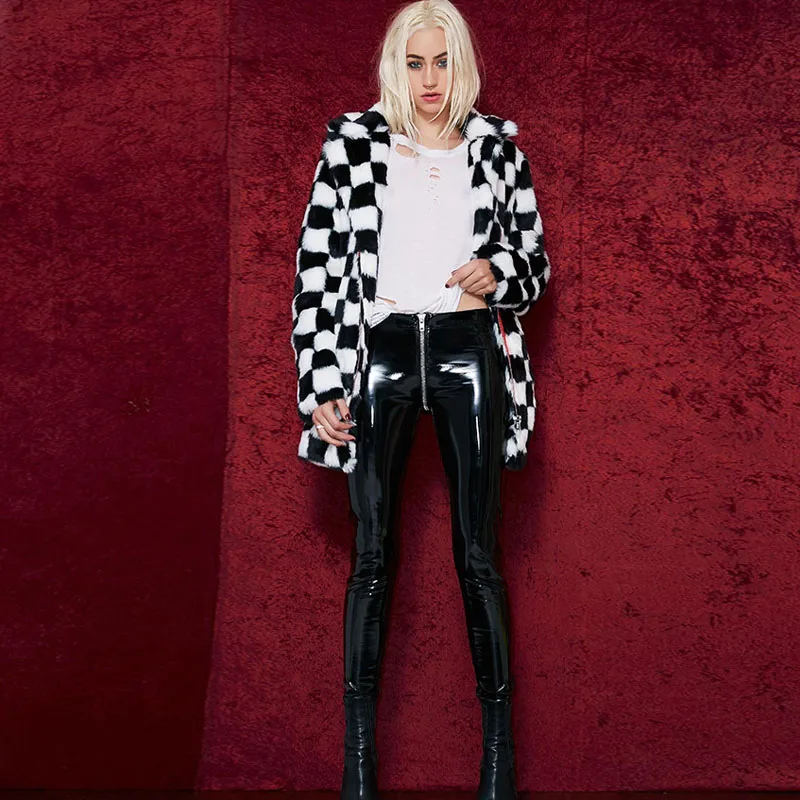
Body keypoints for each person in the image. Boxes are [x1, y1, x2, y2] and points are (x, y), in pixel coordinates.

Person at [290, 2, 551, 798]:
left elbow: (536, 263)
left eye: (442, 61)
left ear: (459, 64)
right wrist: (320, 383)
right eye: (415, 62)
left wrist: (500, 270)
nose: (429, 79)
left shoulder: (497, 149)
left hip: (471, 349)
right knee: (372, 556)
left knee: (479, 555)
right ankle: (358, 770)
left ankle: (499, 768)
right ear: (395, 67)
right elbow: (316, 270)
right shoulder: (352, 145)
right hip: (382, 349)